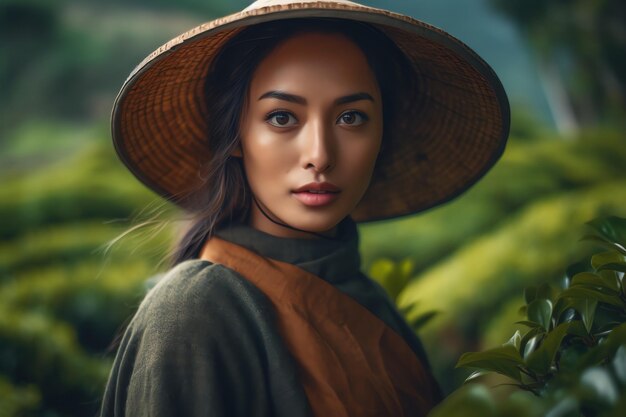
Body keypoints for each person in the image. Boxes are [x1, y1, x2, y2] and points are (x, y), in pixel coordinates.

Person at [100, 0, 509, 416]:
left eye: (351, 117)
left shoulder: (369, 301)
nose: (319, 154)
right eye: (281, 118)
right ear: (236, 135)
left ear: (383, 132)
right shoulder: (193, 311)